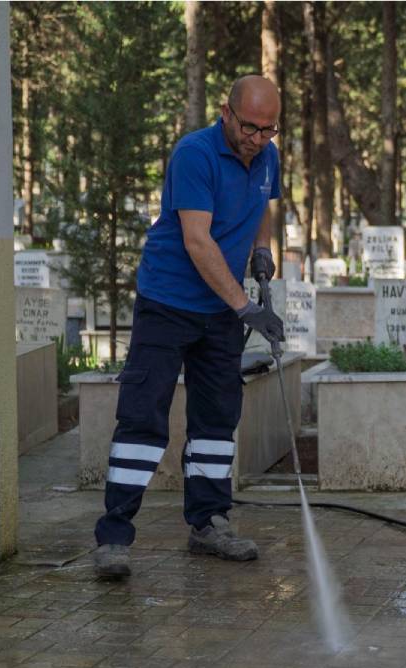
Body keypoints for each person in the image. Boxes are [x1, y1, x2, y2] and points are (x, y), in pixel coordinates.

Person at [93, 75, 286, 578]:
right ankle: (114, 537)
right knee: (143, 414)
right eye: (250, 127)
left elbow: (263, 204)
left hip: (221, 311)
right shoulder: (193, 155)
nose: (258, 139)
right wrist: (247, 308)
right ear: (226, 112)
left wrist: (262, 250)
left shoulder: (267, 155)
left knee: (217, 417)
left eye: (269, 129)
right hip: (169, 302)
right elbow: (198, 243)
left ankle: (209, 524)